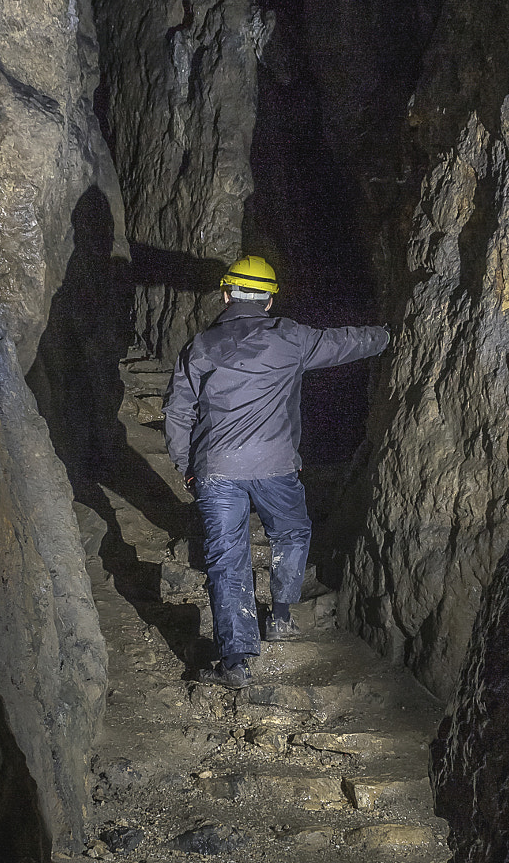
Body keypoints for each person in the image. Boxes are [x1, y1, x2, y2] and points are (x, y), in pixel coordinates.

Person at [163, 254, 389, 688]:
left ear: (226, 294)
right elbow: (346, 342)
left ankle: (235, 662)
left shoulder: (201, 347)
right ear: (268, 301)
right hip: (275, 467)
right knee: (292, 533)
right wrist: (389, 334)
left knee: (227, 560)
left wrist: (186, 465)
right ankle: (282, 616)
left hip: (217, 467)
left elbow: (177, 412)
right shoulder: (291, 338)